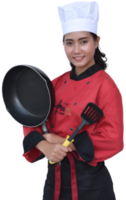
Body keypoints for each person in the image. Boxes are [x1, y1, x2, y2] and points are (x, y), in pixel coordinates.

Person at [21, 1, 124, 199]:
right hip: (54, 185)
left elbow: (114, 140)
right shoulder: (56, 83)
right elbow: (31, 118)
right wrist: (45, 146)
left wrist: (66, 143)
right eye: (70, 43)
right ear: (63, 45)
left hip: (91, 188)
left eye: (83, 41)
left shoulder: (107, 86)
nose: (76, 50)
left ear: (97, 41)